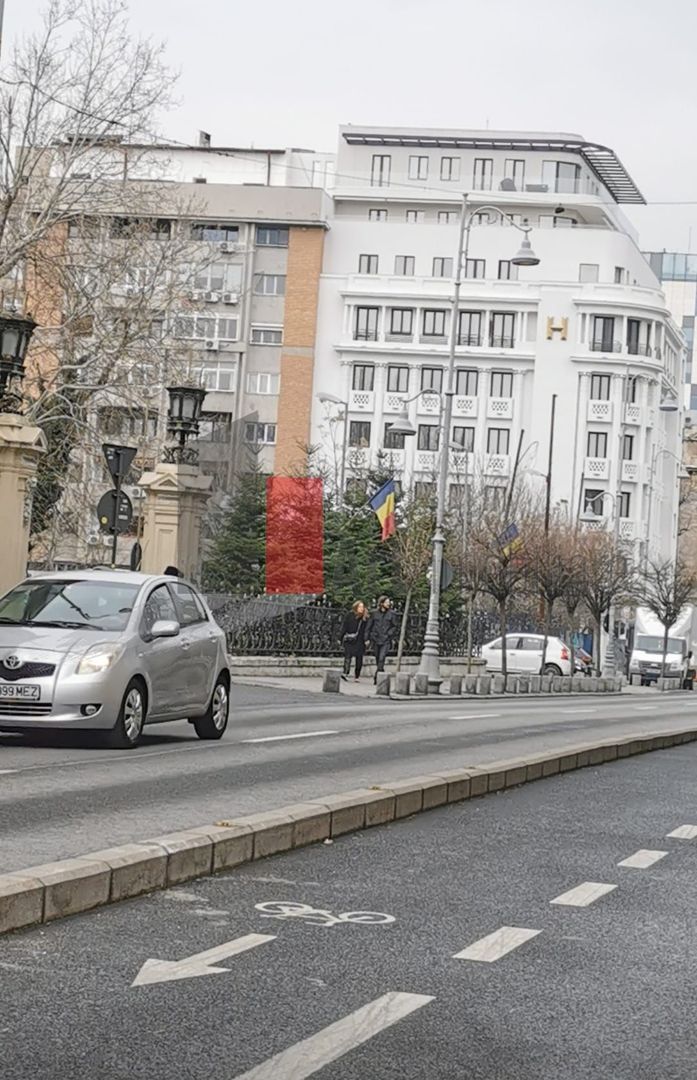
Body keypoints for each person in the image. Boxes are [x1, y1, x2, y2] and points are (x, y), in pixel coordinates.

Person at [366, 595, 398, 684]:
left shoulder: (392, 614)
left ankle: (377, 677)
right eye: (386, 602)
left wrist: (389, 634)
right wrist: (367, 637)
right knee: (377, 658)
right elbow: (369, 626)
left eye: (389, 602)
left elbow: (395, 626)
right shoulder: (374, 613)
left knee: (381, 658)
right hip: (376, 639)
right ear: (381, 603)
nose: (388, 604)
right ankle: (381, 671)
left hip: (385, 639)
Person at [340, 600, 368, 681]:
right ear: (356, 607)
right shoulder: (350, 615)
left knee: (359, 658)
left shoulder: (365, 617)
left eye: (362, 607)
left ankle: (357, 675)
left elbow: (367, 629)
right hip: (350, 639)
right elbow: (344, 626)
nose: (361, 608)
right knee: (347, 656)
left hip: (360, 640)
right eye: (360, 607)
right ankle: (345, 672)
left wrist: (366, 639)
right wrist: (340, 637)